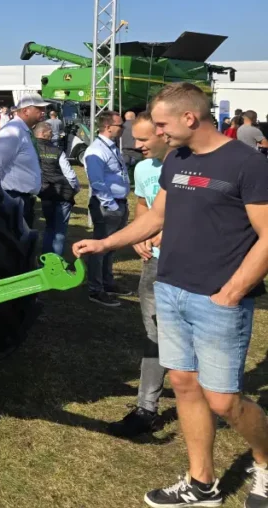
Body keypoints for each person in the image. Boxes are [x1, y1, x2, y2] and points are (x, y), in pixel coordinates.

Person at [74, 83, 268, 508]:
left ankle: (265, 461)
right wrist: (105, 245)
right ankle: (202, 486)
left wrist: (233, 291)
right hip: (171, 288)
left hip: (217, 298)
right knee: (183, 383)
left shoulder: (246, 163)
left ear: (188, 119)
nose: (154, 132)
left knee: (224, 400)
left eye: (161, 124)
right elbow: (158, 215)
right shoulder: (176, 159)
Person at [108, 110, 172, 438]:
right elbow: (145, 205)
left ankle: (211, 400)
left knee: (190, 337)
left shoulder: (188, 166)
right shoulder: (144, 168)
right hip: (153, 265)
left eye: (143, 139)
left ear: (165, 134)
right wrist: (139, 235)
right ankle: (147, 408)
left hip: (187, 267)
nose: (136, 145)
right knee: (154, 336)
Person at [83, 110, 130, 307]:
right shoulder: (96, 151)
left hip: (118, 203)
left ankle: (108, 282)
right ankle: (96, 289)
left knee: (111, 247)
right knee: (100, 249)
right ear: (108, 127)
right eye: (121, 126)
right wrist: (110, 204)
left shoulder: (111, 147)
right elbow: (97, 181)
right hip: (107, 206)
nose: (123, 129)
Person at [0, 92, 46, 227]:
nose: (44, 112)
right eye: (39, 109)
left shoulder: (22, 130)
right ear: (25, 111)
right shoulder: (12, 132)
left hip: (21, 199)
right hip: (13, 198)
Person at [34, 120, 79, 261]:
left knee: (49, 226)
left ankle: (45, 261)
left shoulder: (31, 149)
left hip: (46, 192)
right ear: (43, 134)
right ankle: (56, 263)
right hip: (63, 192)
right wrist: (75, 188)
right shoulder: (57, 150)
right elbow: (69, 173)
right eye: (50, 132)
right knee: (59, 230)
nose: (53, 135)